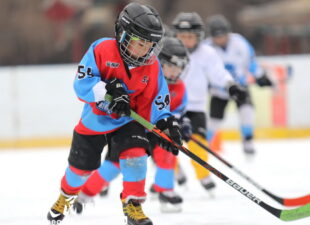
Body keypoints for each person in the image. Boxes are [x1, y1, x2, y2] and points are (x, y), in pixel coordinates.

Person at [46, 3, 183, 225]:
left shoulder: (151, 65)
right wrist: (109, 93)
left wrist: (165, 123)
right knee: (80, 171)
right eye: (140, 43)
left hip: (129, 121)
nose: (145, 50)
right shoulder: (101, 49)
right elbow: (82, 84)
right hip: (95, 121)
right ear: (123, 34)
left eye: (150, 44)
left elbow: (157, 99)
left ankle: (133, 206)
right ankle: (66, 195)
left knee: (136, 157)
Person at [72, 37, 191, 214]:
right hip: (133, 129)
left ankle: (164, 189)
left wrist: (178, 125)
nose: (176, 72)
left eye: (180, 67)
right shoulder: (146, 73)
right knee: (114, 166)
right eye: (172, 66)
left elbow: (176, 110)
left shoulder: (178, 87)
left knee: (167, 152)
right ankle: (85, 193)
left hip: (154, 130)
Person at [172, 12, 246, 193]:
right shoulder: (168, 50)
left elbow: (218, 73)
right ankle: (172, 172)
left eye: (190, 36)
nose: (186, 41)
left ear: (199, 36)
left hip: (196, 107)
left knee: (198, 143)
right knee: (167, 145)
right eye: (182, 36)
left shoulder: (207, 53)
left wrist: (231, 85)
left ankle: (203, 175)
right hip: (170, 107)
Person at [203, 15, 273, 155]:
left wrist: (260, 76)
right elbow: (201, 68)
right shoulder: (206, 47)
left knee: (247, 111)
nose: (220, 39)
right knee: (214, 121)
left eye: (222, 35)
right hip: (219, 90)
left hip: (240, 87)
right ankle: (204, 146)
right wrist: (206, 83)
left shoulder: (240, 43)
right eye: (217, 36)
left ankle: (248, 141)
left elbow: (251, 61)